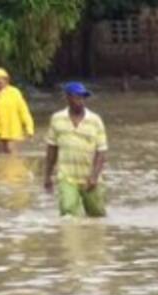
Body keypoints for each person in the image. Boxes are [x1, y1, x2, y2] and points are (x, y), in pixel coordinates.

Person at [44, 82, 108, 218]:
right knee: (68, 212)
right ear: (67, 98)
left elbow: (101, 152)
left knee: (97, 214)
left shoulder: (95, 120)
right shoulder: (57, 119)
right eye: (76, 97)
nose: (80, 101)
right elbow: (51, 149)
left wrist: (94, 176)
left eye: (83, 97)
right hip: (66, 176)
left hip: (89, 176)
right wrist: (47, 176)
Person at [0, 67, 34, 154]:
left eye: (3, 79)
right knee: (2, 154)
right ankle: (3, 167)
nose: (0, 81)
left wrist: (29, 127)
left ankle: (15, 167)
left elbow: (24, 111)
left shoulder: (15, 92)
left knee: (12, 151)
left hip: (14, 129)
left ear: (7, 80)